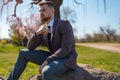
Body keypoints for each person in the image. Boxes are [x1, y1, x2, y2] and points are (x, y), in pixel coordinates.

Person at [7, 1, 77, 80]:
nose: (40, 13)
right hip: (52, 56)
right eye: (40, 11)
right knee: (23, 53)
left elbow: (66, 48)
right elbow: (30, 47)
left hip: (66, 59)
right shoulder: (43, 29)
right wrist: (37, 33)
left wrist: (47, 61)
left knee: (46, 71)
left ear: (52, 11)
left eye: (43, 10)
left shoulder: (64, 24)